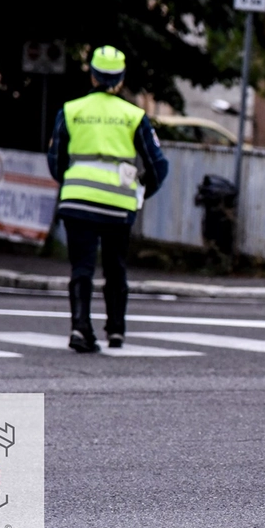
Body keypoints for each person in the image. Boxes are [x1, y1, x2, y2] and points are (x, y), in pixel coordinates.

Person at [47, 46, 169, 353]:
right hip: (118, 205)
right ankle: (116, 331)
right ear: (121, 79)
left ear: (92, 75)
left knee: (81, 267)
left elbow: (55, 158)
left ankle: (79, 328)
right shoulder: (133, 116)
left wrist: (70, 183)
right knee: (115, 267)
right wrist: (141, 192)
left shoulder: (71, 110)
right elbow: (158, 165)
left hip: (77, 201)